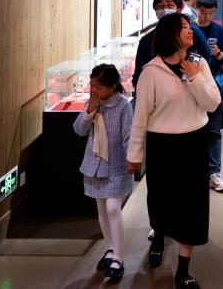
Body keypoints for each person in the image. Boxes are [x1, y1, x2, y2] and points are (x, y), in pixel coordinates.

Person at [128, 13, 221, 289]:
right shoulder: (151, 71)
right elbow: (140, 117)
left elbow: (212, 103)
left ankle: (183, 270)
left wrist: (194, 78)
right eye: (183, 28)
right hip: (162, 145)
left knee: (193, 205)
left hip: (194, 143)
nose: (190, 30)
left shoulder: (199, 64)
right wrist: (134, 155)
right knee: (161, 200)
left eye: (189, 26)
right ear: (170, 34)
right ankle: (158, 236)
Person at [72, 63, 134, 282]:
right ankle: (109, 249)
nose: (94, 90)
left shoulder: (123, 106)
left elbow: (128, 135)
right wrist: (90, 109)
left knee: (113, 208)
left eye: (98, 86)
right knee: (101, 208)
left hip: (117, 165)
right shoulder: (92, 103)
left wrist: (132, 158)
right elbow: (79, 130)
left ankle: (118, 258)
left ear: (113, 86)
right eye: (92, 85)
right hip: (94, 165)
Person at [133, 0, 213, 101]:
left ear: (178, 9)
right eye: (160, 6)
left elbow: (205, 54)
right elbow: (139, 72)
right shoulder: (147, 40)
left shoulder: (192, 33)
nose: (165, 9)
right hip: (159, 95)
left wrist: (197, 76)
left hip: (190, 90)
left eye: (170, 5)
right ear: (155, 11)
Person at [194, 0, 223, 193]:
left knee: (214, 131)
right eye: (203, 12)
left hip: (213, 86)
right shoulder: (189, 30)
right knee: (192, 130)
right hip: (190, 86)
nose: (207, 16)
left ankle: (214, 172)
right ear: (196, 8)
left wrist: (218, 53)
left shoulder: (219, 31)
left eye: (211, 13)